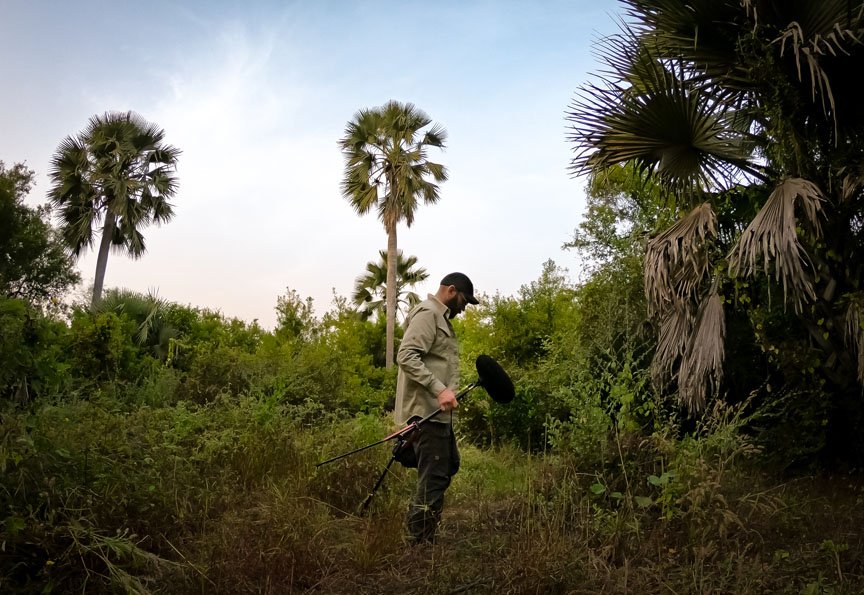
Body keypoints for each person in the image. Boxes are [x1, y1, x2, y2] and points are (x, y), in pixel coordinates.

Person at [394, 272, 480, 544]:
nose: (464, 308)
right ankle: (419, 545)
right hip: (426, 412)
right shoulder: (428, 313)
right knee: (433, 479)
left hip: (437, 414)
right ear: (452, 290)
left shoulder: (439, 317)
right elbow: (406, 356)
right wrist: (440, 389)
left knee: (446, 467)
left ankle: (421, 535)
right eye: (464, 301)